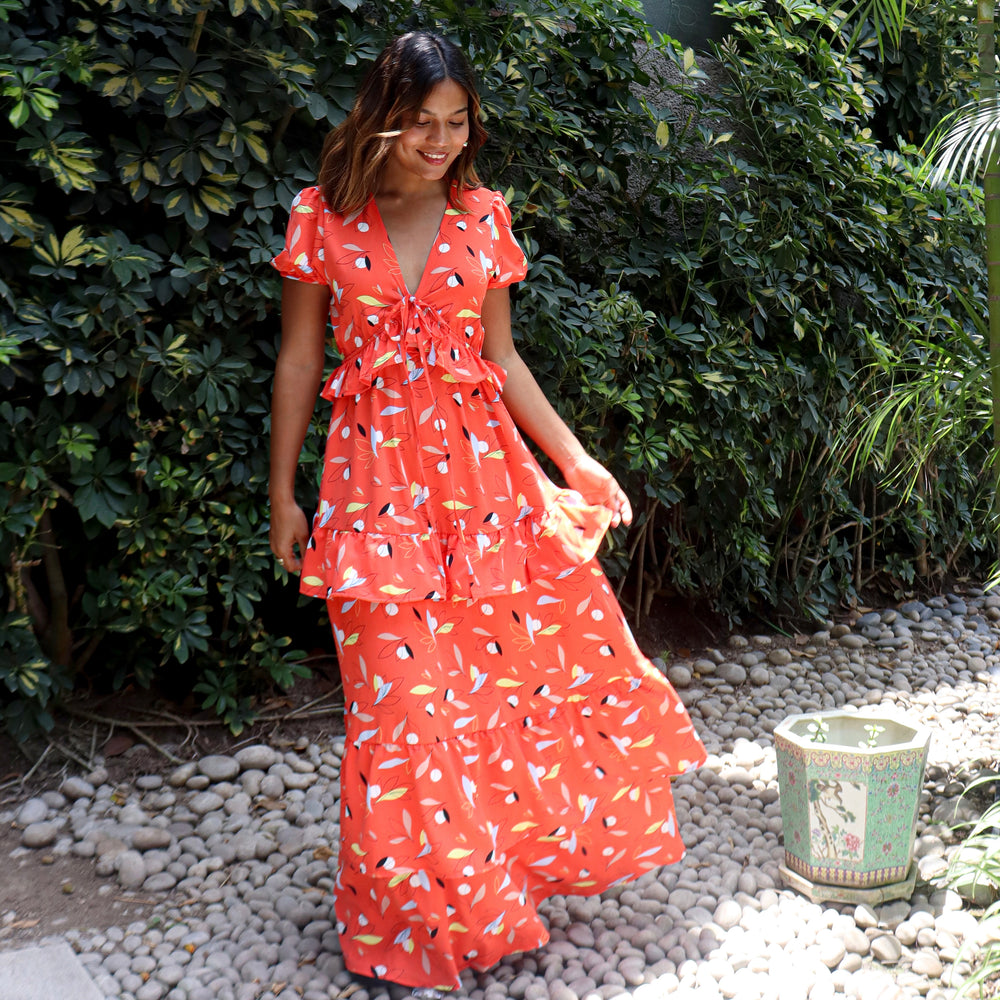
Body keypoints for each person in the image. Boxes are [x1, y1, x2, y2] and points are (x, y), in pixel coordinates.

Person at [269, 30, 706, 994]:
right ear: (381, 117)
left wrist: (576, 461)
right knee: (397, 711)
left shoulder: (482, 218)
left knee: (486, 694)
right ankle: (402, 921)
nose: (439, 141)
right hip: (372, 496)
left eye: (456, 121)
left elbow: (502, 360)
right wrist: (282, 493)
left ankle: (484, 888)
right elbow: (299, 361)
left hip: (485, 495)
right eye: (420, 121)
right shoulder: (322, 220)